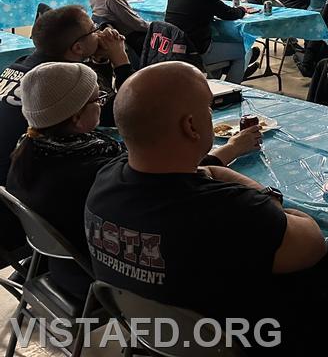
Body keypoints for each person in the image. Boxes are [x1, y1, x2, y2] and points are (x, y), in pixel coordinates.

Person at [85, 63, 328, 353]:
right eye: (209, 108)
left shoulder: (105, 180)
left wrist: (216, 168)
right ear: (190, 126)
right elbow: (312, 242)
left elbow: (198, 174)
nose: (211, 115)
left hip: (154, 334)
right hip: (250, 338)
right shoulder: (228, 211)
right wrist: (265, 194)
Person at [7, 62, 260, 299]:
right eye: (99, 98)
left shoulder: (30, 148)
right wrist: (230, 150)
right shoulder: (95, 170)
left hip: (60, 264)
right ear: (75, 117)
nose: (104, 103)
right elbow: (174, 186)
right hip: (107, 278)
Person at [0, 5, 129, 183]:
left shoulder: (21, 65)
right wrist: (121, 60)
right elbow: (125, 111)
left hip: (17, 182)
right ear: (77, 48)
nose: (100, 34)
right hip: (24, 182)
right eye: (94, 29)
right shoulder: (61, 82)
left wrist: (98, 59)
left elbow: (97, 93)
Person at [165, 0, 249, 83]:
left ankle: (213, 83)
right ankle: (231, 90)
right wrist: (242, 9)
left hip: (174, 48)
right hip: (197, 51)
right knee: (244, 50)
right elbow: (229, 14)